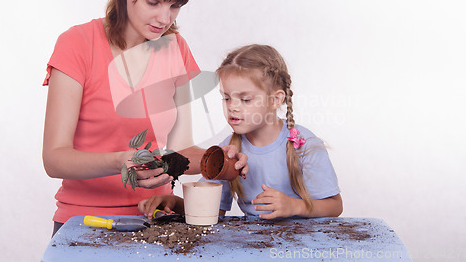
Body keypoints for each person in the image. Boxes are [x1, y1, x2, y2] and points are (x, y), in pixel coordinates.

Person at [42, 0, 247, 236]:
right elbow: (54, 158)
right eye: (153, 2)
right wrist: (119, 161)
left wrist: (216, 159)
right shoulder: (77, 44)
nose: (164, 19)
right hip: (86, 222)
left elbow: (179, 150)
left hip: (156, 219)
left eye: (174, 6)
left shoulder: (175, 48)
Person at [139, 44, 342, 219]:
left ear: (275, 100)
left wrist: (293, 206)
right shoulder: (229, 152)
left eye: (245, 99)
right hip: (255, 247)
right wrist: (174, 203)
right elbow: (211, 210)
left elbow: (334, 206)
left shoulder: (303, 144)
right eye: (226, 98)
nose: (233, 107)